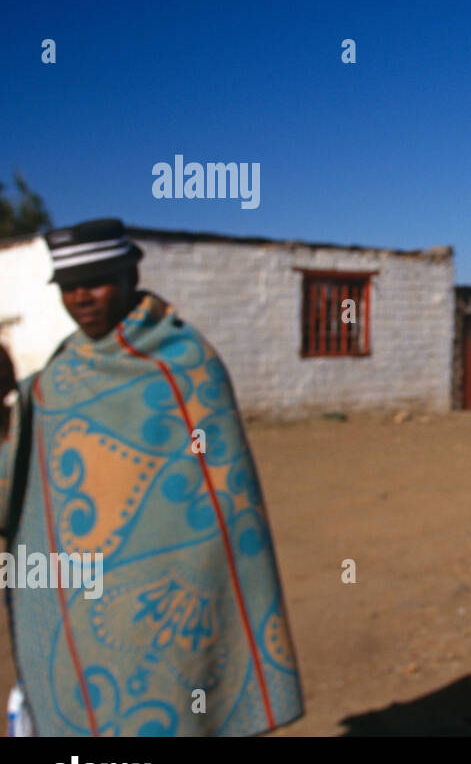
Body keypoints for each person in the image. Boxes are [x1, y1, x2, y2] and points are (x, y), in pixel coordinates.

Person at [0, 218, 303, 735]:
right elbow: (25, 481)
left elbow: (223, 502)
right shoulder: (56, 378)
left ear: (130, 272)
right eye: (70, 288)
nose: (82, 298)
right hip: (83, 598)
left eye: (95, 281)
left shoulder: (186, 365)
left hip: (170, 603)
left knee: (171, 711)